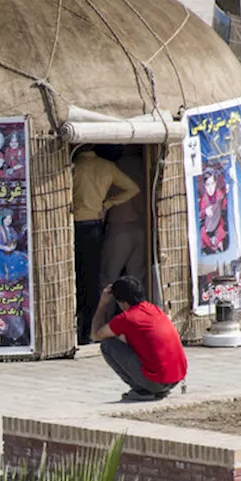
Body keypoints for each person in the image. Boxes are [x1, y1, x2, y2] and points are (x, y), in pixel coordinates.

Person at [73, 145, 139, 345]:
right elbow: (133, 188)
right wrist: (107, 204)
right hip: (94, 225)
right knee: (91, 279)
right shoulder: (106, 167)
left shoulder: (73, 167)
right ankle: (88, 332)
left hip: (71, 225)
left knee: (74, 276)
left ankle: (75, 329)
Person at [90, 275, 186, 401]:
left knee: (108, 345)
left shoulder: (126, 318)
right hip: (176, 379)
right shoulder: (155, 310)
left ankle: (142, 390)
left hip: (157, 382)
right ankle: (154, 388)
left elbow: (96, 335)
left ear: (122, 302)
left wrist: (102, 304)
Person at [100, 146, 147, 289]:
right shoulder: (143, 166)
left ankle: (105, 312)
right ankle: (137, 311)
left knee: (108, 279)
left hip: (119, 228)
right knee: (136, 281)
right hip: (141, 228)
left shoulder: (115, 168)